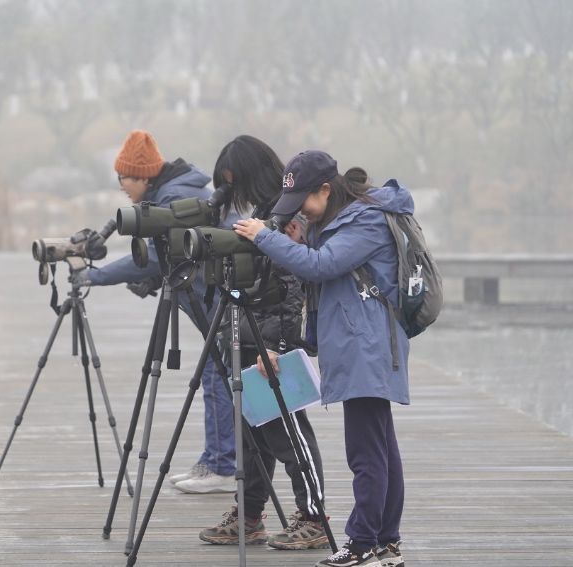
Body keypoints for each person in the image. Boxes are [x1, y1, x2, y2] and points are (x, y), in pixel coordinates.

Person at [233, 149, 409, 567]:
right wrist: (295, 237)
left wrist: (265, 236)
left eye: (305, 204)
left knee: (365, 452)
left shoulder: (367, 218)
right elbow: (325, 255)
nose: (303, 214)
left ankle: (362, 544)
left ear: (326, 190)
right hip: (357, 343)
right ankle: (386, 542)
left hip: (365, 347)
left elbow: (322, 265)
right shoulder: (345, 217)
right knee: (382, 447)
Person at [70, 129, 239, 494]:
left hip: (222, 298)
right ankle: (215, 461)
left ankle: (224, 467)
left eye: (123, 179)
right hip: (212, 295)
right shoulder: (172, 191)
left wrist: (92, 276)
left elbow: (143, 260)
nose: (121, 187)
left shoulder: (174, 197)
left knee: (216, 374)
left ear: (143, 177)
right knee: (215, 372)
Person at [197, 135, 329, 551]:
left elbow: (291, 288)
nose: (228, 192)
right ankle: (249, 514)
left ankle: (315, 519)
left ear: (248, 176)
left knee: (288, 435)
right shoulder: (262, 213)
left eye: (232, 182)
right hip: (252, 336)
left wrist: (281, 348)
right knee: (255, 433)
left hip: (273, 344)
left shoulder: (281, 215)